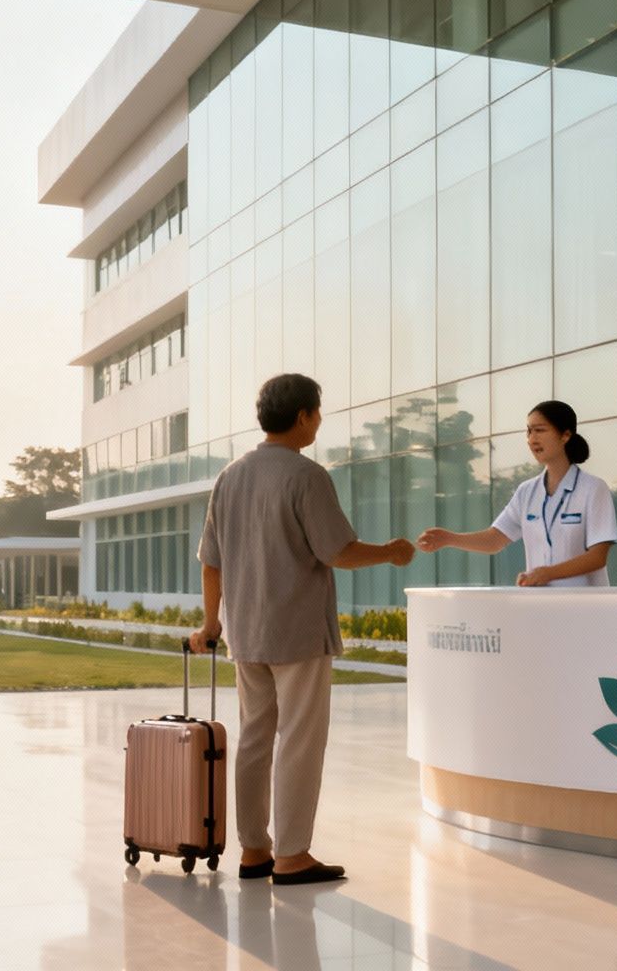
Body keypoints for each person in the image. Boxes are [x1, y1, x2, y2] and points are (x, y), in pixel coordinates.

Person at [190, 373, 415, 886]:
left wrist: (211, 621)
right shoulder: (306, 476)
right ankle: (292, 855)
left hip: (245, 634)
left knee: (254, 739)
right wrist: (392, 552)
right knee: (299, 741)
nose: (319, 420)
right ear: (302, 417)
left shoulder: (230, 476)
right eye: (318, 411)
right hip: (297, 632)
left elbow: (211, 563)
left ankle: (253, 850)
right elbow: (338, 551)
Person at [416, 400, 617, 586]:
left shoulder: (593, 488)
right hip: (538, 606)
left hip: (586, 609)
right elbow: (494, 540)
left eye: (540, 430)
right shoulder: (527, 492)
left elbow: (597, 557)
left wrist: (547, 573)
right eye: (529, 432)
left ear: (565, 435)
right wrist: (449, 538)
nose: (532, 439)